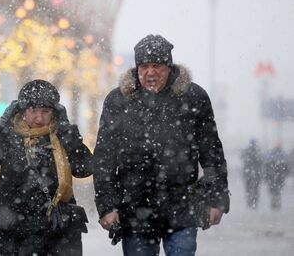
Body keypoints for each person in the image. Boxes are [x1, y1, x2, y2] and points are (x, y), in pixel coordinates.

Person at [93, 34, 230, 256]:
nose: (150, 72)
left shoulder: (194, 97)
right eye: (145, 66)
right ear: (137, 69)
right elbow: (104, 160)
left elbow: (212, 151)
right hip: (134, 210)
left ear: (169, 67)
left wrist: (216, 199)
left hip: (182, 207)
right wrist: (107, 207)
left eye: (157, 66)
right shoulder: (118, 101)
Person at [0, 79, 93, 256]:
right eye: (33, 111)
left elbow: (85, 168)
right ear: (22, 112)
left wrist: (69, 132)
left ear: (54, 112)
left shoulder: (62, 136)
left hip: (59, 232)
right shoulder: (9, 137)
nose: (39, 118)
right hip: (15, 231)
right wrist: (0, 126)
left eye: (45, 111)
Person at [263, 142, 290, 210]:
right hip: (280, 177)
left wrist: (266, 176)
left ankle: (274, 202)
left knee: (273, 190)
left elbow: (266, 165)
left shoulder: (271, 155)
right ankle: (277, 202)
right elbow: (287, 167)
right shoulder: (283, 155)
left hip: (272, 177)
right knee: (278, 190)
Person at [240, 139, 263, 209]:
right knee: (255, 189)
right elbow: (261, 162)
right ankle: (254, 202)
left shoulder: (247, 151)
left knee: (248, 189)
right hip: (256, 174)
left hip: (248, 174)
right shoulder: (258, 151)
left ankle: (249, 202)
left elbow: (242, 158)